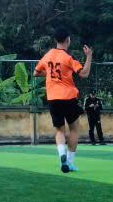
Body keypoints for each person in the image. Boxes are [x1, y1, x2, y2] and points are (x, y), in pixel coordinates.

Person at [33, 27, 92, 172]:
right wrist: (89, 56)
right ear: (68, 40)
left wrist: (49, 74)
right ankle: (70, 162)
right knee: (74, 129)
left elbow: (36, 72)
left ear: (55, 40)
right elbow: (84, 73)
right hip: (68, 97)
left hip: (53, 98)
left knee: (59, 130)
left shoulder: (48, 55)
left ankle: (62, 155)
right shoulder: (69, 57)